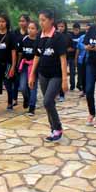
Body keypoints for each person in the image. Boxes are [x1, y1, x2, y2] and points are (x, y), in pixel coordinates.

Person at [29, 10, 69, 142]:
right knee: (48, 103)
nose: (41, 23)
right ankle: (53, 129)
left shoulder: (59, 37)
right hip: (43, 74)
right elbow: (36, 56)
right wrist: (32, 75)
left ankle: (58, 127)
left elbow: (63, 59)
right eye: (40, 20)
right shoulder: (39, 35)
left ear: (51, 20)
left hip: (56, 75)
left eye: (44, 20)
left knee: (47, 101)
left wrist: (64, 80)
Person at [18, 21, 39, 116]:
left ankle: (32, 107)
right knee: (22, 87)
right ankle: (26, 98)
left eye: (33, 28)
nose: (30, 30)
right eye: (29, 28)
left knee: (32, 87)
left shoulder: (39, 41)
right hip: (25, 65)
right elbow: (20, 53)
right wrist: (17, 65)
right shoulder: (24, 39)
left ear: (37, 30)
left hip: (34, 66)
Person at [11, 15, 30, 107]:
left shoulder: (30, 32)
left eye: (23, 21)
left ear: (27, 22)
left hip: (26, 61)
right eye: (20, 21)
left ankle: (28, 98)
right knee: (15, 80)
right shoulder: (15, 32)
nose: (21, 23)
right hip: (15, 59)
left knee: (25, 83)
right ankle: (14, 99)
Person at [76, 23, 91, 96]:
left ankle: (88, 90)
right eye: (86, 29)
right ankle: (83, 90)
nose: (87, 31)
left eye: (89, 29)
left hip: (90, 60)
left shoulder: (93, 38)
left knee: (88, 76)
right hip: (81, 59)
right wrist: (76, 59)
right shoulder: (82, 37)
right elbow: (78, 49)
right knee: (81, 75)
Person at [56, 20, 68, 102]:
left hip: (63, 59)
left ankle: (62, 94)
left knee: (61, 77)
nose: (60, 28)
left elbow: (71, 47)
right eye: (59, 26)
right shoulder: (54, 35)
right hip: (54, 60)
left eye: (62, 26)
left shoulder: (67, 36)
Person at [67, 23, 82, 91]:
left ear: (79, 29)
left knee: (80, 72)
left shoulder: (82, 35)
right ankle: (72, 85)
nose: (76, 31)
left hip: (79, 56)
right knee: (72, 72)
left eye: (77, 30)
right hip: (70, 56)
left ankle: (79, 84)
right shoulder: (69, 35)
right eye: (74, 30)